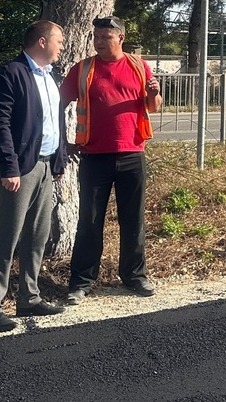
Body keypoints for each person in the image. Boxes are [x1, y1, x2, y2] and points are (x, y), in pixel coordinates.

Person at [61, 16, 163, 304]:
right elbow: (58, 103)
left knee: (133, 220)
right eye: (96, 37)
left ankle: (134, 276)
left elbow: (152, 106)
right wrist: (61, 142)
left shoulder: (138, 66)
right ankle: (81, 281)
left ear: (121, 38)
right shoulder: (82, 69)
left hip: (132, 153)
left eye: (106, 37)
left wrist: (155, 94)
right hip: (94, 156)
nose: (99, 41)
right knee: (90, 221)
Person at [0, 20, 68, 332]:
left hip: (45, 166)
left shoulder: (49, 75)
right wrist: (10, 167)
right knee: (7, 236)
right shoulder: (12, 73)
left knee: (37, 236)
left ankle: (29, 297)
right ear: (42, 42)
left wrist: (59, 160)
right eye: (58, 41)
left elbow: (54, 121)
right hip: (19, 169)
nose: (61, 46)